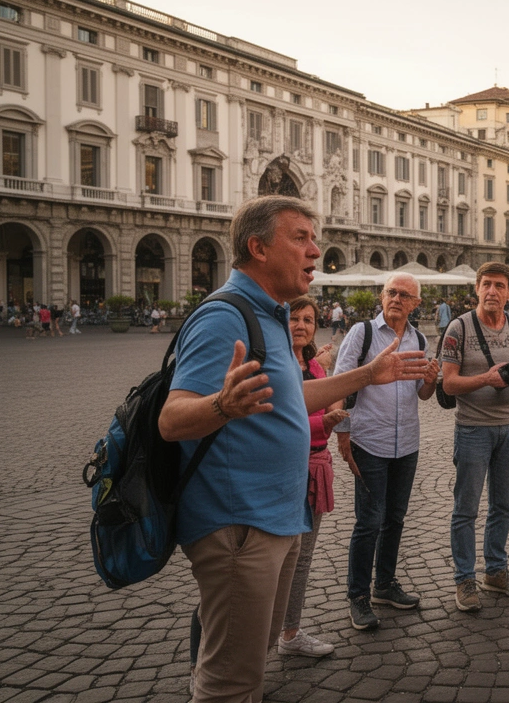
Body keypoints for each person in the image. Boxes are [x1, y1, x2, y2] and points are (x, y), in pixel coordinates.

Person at [158, 195, 429, 702]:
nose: (315, 249)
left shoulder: (274, 315)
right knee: (229, 682)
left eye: (314, 237)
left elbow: (292, 395)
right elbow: (171, 419)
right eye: (300, 237)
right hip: (238, 525)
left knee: (250, 661)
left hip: (278, 519)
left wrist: (368, 375)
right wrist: (222, 404)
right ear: (257, 247)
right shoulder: (224, 316)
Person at [333, 273, 440, 630]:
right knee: (368, 522)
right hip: (369, 441)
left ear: (416, 304)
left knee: (395, 519)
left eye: (404, 295)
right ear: (382, 296)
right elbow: (340, 383)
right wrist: (343, 434)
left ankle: (384, 584)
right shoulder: (361, 333)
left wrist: (429, 382)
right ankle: (358, 596)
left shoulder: (419, 338)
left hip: (406, 442)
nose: (396, 299)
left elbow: (420, 396)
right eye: (391, 292)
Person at [439, 262, 509, 612]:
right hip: (471, 429)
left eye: (500, 286)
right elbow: (448, 383)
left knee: (502, 505)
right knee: (465, 509)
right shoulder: (458, 327)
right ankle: (464, 579)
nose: (493, 291)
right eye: (487, 285)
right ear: (477, 289)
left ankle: (495, 571)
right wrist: (485, 378)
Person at [277, 295, 346, 658]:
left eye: (307, 319)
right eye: (294, 318)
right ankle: (260, 639)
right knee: (274, 558)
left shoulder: (314, 365)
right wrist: (324, 422)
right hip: (285, 470)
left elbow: (330, 401)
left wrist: (332, 408)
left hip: (316, 466)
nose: (301, 325)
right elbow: (281, 423)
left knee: (302, 557)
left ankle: (290, 633)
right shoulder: (277, 362)